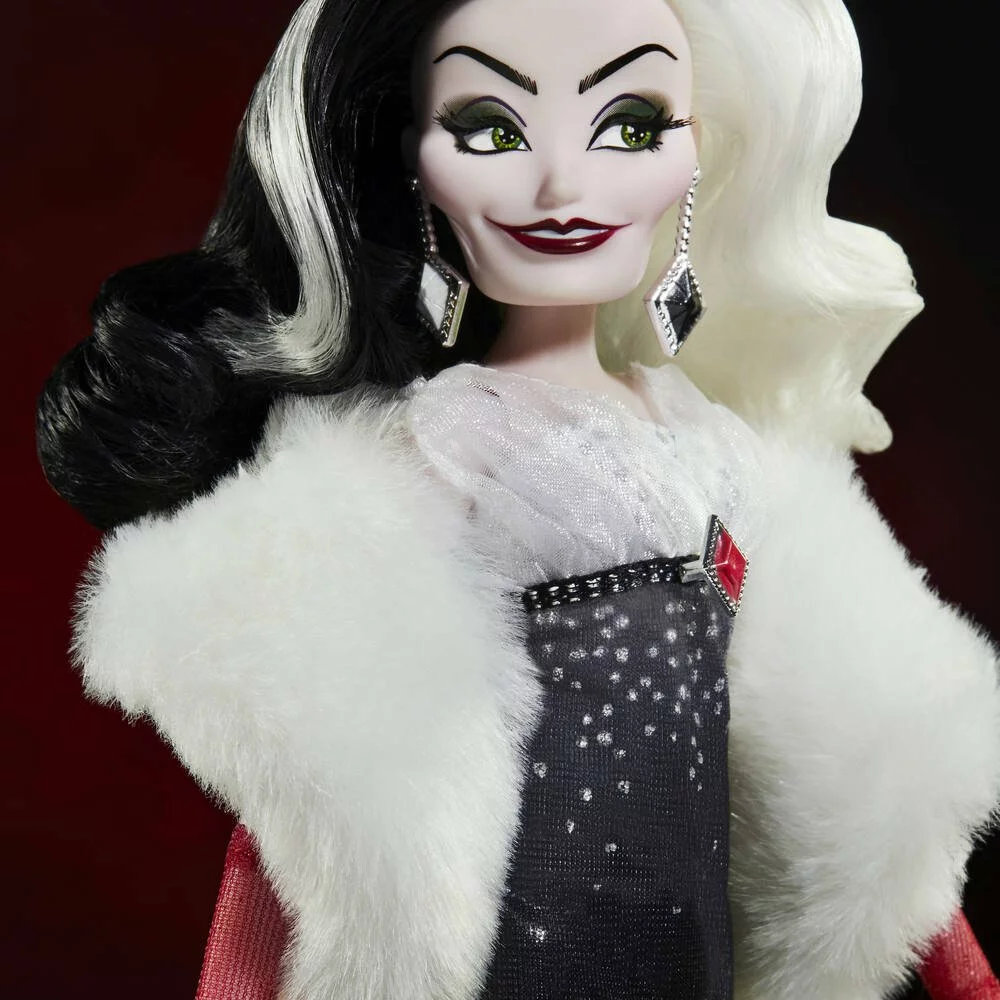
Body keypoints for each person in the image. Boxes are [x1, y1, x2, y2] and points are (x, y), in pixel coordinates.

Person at [37, 0, 1000, 998]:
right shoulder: (449, 445)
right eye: (491, 128)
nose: (562, 183)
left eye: (630, 124)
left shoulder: (720, 444)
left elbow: (848, 757)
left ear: (697, 151)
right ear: (414, 166)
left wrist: (948, 950)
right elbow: (330, 793)